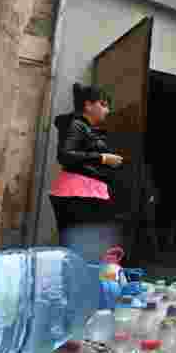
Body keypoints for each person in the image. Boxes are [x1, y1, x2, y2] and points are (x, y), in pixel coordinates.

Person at [49, 83, 124, 263]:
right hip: (79, 192)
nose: (107, 110)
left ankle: (82, 281)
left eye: (108, 106)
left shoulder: (88, 129)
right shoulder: (77, 126)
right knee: (82, 245)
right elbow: (65, 155)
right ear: (88, 105)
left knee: (86, 244)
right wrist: (102, 158)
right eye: (103, 104)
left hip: (86, 191)